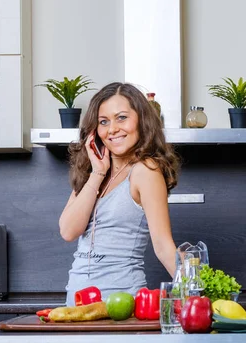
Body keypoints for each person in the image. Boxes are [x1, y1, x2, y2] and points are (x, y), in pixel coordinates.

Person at [59, 82, 180, 306]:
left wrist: (202, 293)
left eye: (121, 117)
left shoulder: (145, 171)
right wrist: (97, 172)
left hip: (122, 308)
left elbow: (163, 247)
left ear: (142, 121)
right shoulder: (92, 173)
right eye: (104, 122)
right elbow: (68, 231)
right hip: (76, 308)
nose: (112, 128)